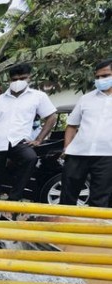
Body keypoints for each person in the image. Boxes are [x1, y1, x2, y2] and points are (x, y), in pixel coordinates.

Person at [0, 63, 57, 200]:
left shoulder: (38, 97)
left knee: (30, 158)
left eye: (22, 78)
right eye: (15, 79)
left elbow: (51, 116)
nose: (18, 82)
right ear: (9, 80)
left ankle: (14, 198)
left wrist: (39, 139)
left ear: (29, 78)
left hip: (19, 141)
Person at [60, 59, 112, 207]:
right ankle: (63, 227)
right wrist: (66, 147)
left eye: (105, 76)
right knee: (67, 194)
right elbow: (71, 125)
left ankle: (93, 230)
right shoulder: (86, 99)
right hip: (78, 153)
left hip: (107, 155)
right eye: (97, 77)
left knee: (100, 198)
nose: (101, 80)